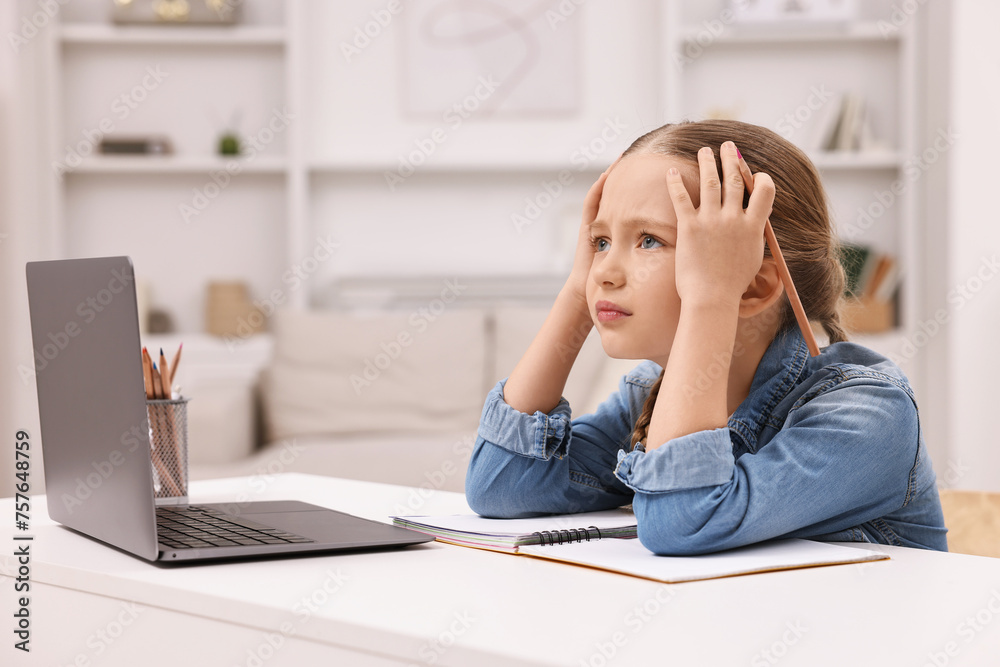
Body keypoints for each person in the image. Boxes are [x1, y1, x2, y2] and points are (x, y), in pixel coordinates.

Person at [464, 119, 948, 555]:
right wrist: (576, 294)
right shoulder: (647, 396)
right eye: (601, 241)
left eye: (649, 240)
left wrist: (712, 296)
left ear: (755, 285)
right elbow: (502, 485)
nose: (605, 271)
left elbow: (680, 522)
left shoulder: (869, 415)